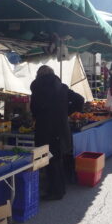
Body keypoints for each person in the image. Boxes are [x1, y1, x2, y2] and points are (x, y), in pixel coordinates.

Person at [31, 65, 84, 200]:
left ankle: (54, 191)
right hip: (60, 129)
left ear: (39, 75)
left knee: (46, 159)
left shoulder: (37, 89)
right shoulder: (62, 87)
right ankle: (59, 189)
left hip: (44, 129)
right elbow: (80, 100)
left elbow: (34, 110)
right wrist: (66, 111)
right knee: (57, 159)